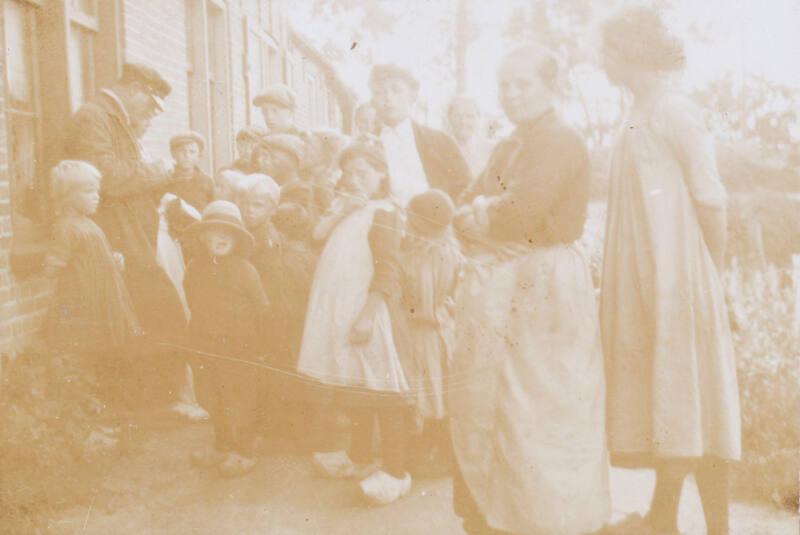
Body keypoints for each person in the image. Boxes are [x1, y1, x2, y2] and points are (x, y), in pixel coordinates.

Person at [449, 44, 610, 535]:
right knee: (490, 403)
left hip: (547, 285)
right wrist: (481, 211)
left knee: (542, 406)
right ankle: (498, 516)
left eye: (523, 84)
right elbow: (465, 202)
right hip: (502, 281)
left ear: (549, 86)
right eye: (504, 85)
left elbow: (524, 213)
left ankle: (550, 522)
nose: (512, 94)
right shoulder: (507, 145)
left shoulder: (562, 141)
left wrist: (485, 213)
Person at [598, 7, 741, 535]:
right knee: (672, 397)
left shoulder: (676, 111)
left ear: (630, 52)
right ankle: (661, 518)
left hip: (682, 278)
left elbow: (712, 199)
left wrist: (712, 277)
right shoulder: (638, 109)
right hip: (648, 278)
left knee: (699, 399)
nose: (601, 60)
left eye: (608, 50)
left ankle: (718, 528)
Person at [64, 62, 187, 407]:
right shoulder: (94, 118)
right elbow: (107, 178)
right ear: (134, 89)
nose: (151, 113)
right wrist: (156, 172)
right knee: (160, 315)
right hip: (115, 239)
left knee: (146, 320)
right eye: (150, 104)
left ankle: (149, 407)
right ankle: (151, 408)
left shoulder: (116, 121)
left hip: (130, 237)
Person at [298, 137, 412, 505]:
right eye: (348, 173)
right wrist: (342, 207)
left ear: (382, 175)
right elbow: (315, 237)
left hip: (371, 315)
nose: (354, 179)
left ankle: (396, 472)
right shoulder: (350, 209)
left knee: (384, 391)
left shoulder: (384, 213)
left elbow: (389, 271)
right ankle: (359, 457)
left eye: (363, 173)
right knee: (357, 386)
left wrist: (367, 315)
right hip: (342, 312)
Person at [42, 161, 141, 411]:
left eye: (97, 190)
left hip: (99, 299)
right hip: (81, 302)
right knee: (80, 354)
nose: (96, 197)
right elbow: (53, 266)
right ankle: (81, 411)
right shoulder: (66, 227)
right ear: (68, 195)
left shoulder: (89, 224)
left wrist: (113, 260)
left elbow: (96, 257)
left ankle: (95, 410)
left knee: (95, 353)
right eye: (88, 191)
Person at [183, 200, 270, 477]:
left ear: (237, 238)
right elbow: (194, 302)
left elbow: (262, 310)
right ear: (202, 237)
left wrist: (259, 347)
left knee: (240, 397)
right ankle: (221, 446)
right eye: (213, 232)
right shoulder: (195, 268)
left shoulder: (245, 270)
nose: (220, 238)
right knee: (212, 395)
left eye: (227, 233)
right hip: (205, 342)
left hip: (239, 346)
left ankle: (244, 451)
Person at [397, 189, 463, 478]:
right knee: (437, 388)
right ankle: (438, 448)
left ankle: (427, 452)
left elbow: (419, 301)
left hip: (421, 328)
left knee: (426, 390)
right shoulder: (449, 249)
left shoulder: (423, 256)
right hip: (443, 325)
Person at [369, 63, 471, 203]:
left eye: (396, 90)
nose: (388, 98)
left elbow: (465, 188)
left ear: (413, 96)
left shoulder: (440, 142)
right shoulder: (367, 145)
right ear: (373, 99)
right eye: (380, 92)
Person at [446, 95, 494, 179]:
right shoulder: (439, 148)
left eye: (469, 116)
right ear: (449, 118)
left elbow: (500, 183)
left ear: (478, 119)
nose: (463, 122)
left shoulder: (491, 149)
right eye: (457, 116)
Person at [167, 131, 214, 212]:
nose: (187, 156)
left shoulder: (207, 182)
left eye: (192, 152)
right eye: (182, 151)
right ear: (173, 154)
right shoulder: (165, 180)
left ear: (199, 156)